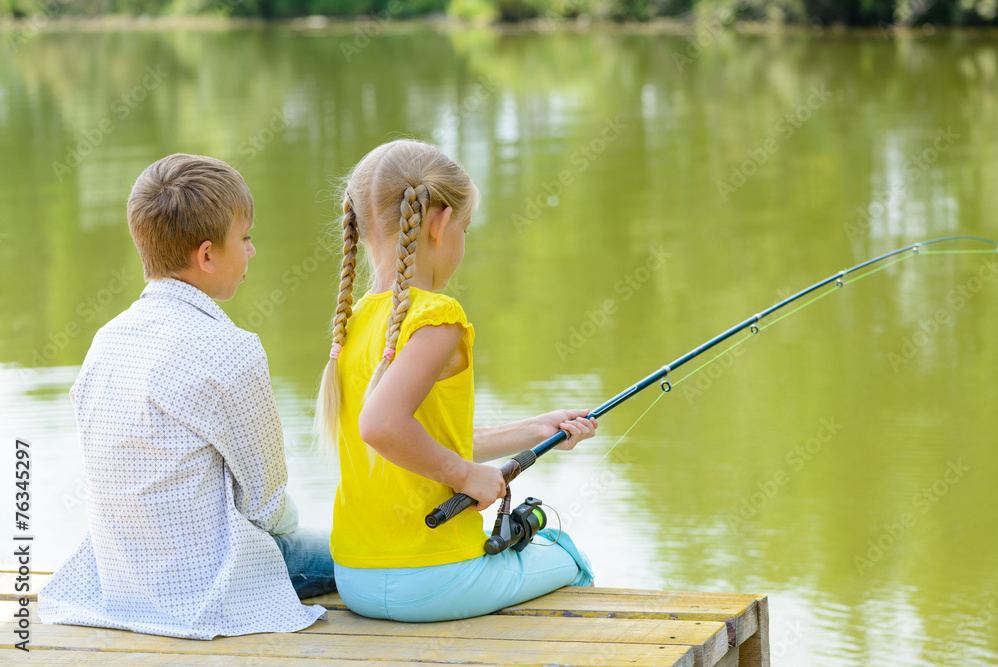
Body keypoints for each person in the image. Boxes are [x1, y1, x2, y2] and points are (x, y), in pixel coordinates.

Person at [39, 154, 336, 640]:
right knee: (356, 550)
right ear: (206, 255)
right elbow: (266, 506)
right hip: (207, 584)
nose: (253, 251)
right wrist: (292, 524)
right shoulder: (233, 352)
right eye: (245, 238)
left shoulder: (104, 342)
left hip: (121, 577)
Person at [314, 139, 597, 623]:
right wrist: (466, 476)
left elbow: (416, 442)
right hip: (435, 579)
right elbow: (379, 425)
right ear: (440, 223)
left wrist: (538, 430)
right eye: (465, 227)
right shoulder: (437, 317)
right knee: (566, 553)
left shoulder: (353, 321)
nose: (463, 239)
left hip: (355, 576)